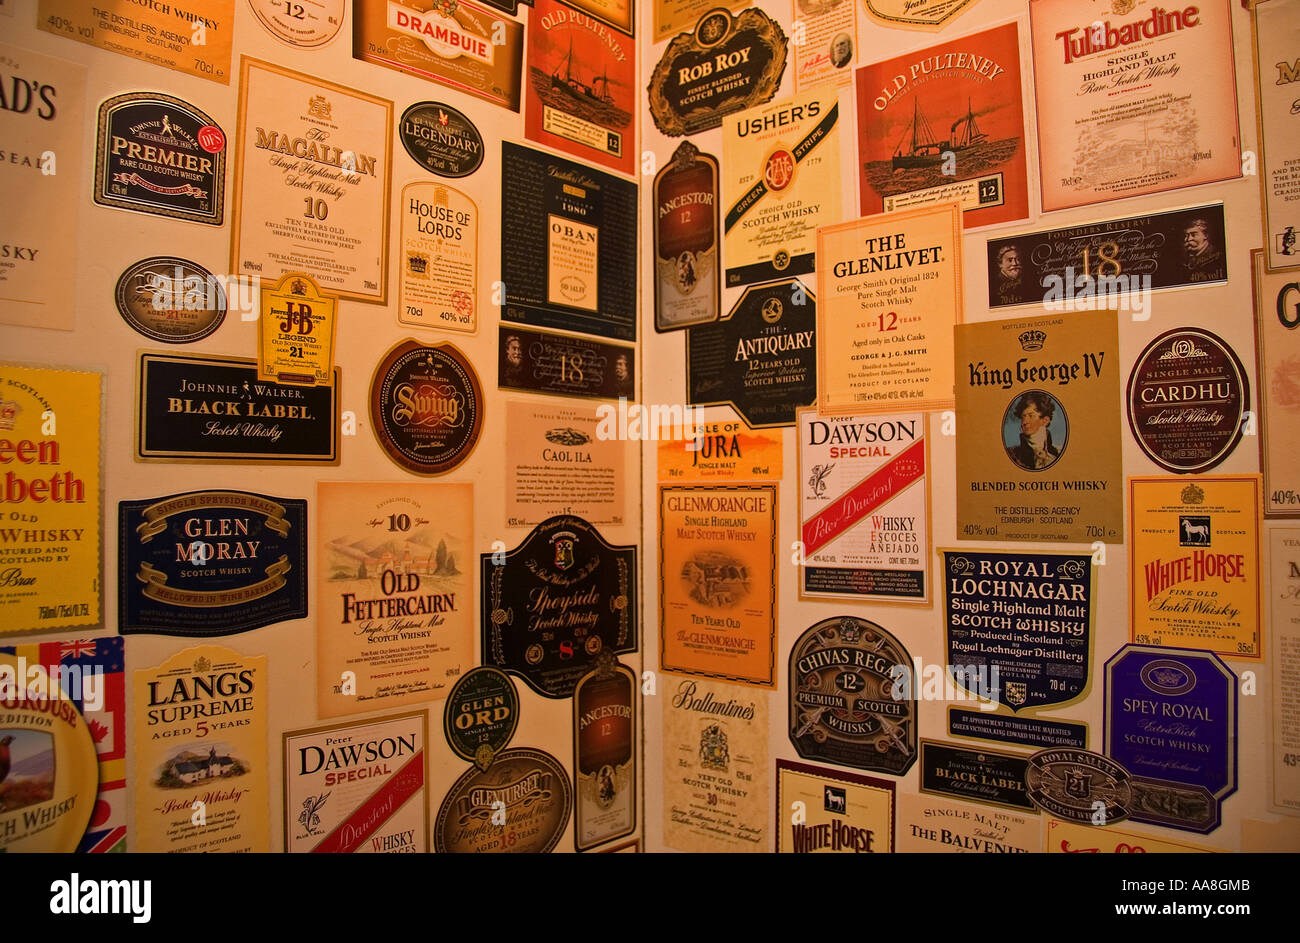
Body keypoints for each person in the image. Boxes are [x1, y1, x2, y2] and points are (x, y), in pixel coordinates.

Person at [1006, 391, 1062, 470]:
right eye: (1023, 417)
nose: (1024, 422)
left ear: (1045, 420)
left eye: (1030, 416)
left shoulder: (1058, 453)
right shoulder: (1012, 455)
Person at [1181, 217, 1223, 282]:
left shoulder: (1218, 256)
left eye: (1193, 234)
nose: (1188, 239)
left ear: (1205, 235)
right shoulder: (1187, 256)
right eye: (1186, 235)